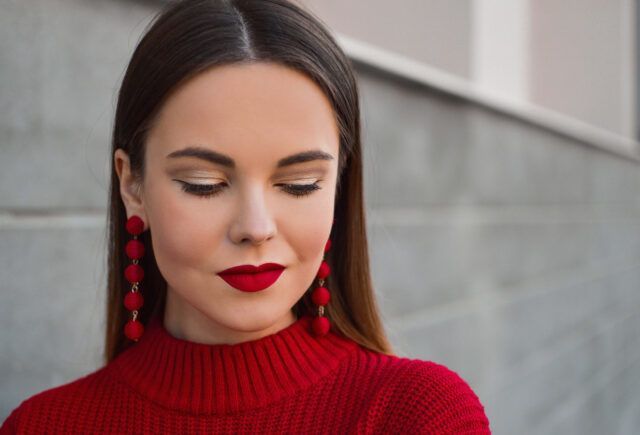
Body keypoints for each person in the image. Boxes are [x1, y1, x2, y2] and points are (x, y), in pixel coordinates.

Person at [0, 0, 491, 433]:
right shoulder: (43, 425)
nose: (255, 227)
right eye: (205, 184)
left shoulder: (418, 415)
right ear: (132, 185)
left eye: (299, 185)